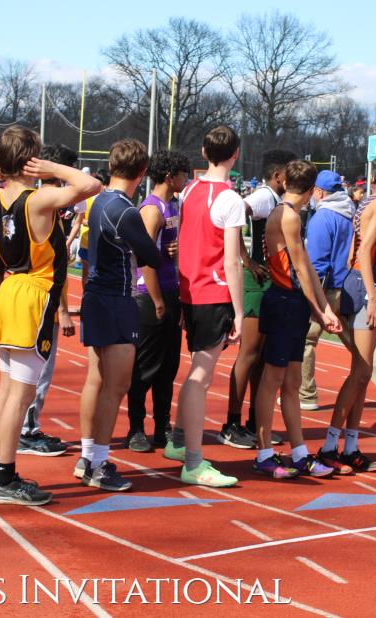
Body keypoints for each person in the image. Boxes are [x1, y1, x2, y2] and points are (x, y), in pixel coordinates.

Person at [0, 126, 100, 506]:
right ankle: (5, 476)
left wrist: (3, 169)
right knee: (20, 394)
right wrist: (51, 168)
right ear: (31, 161)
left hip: (9, 291)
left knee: (5, 389)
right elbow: (90, 185)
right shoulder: (38, 199)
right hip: (33, 297)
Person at [75, 139, 161, 491]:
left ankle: (86, 456)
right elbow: (151, 256)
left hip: (95, 295)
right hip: (116, 299)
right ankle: (98, 464)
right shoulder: (125, 210)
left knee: (96, 380)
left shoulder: (98, 201)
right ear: (142, 173)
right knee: (116, 385)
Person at [166, 126, 246, 488]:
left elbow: (185, 241)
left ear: (203, 152)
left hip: (189, 290)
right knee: (200, 377)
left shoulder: (189, 190)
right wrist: (239, 312)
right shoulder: (230, 199)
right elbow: (232, 262)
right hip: (213, 294)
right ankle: (194, 463)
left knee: (197, 371)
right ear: (236, 154)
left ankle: (179, 441)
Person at [252, 160, 342, 479]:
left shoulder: (291, 214)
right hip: (283, 302)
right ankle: (264, 453)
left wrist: (324, 309)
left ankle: (300, 453)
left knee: (291, 382)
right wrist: (319, 309)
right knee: (272, 380)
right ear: (311, 189)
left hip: (293, 303)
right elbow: (301, 270)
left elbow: (306, 266)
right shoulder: (287, 215)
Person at [320, 152, 376, 475]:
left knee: (363, 373)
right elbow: (366, 251)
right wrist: (372, 296)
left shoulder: (366, 201)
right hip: (365, 285)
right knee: (360, 372)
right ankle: (330, 447)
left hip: (355, 282)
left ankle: (350, 447)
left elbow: (355, 250)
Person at [300, 170, 376, 413]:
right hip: (352, 286)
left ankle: (306, 394)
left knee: (307, 340)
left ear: (319, 192)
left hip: (327, 290)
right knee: (360, 346)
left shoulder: (322, 218)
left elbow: (317, 262)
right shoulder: (353, 211)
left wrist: (310, 294)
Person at [220, 148, 295, 449]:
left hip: (269, 282)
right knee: (249, 354)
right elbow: (236, 214)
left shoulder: (276, 199)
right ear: (278, 175)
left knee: (262, 357)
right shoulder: (264, 196)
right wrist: (245, 259)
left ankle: (254, 421)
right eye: (289, 172)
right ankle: (231, 424)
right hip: (257, 281)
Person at [17, 145, 80, 458]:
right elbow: (55, 267)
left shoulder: (25, 198)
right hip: (42, 298)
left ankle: (27, 427)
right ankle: (26, 431)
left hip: (24, 293)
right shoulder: (47, 204)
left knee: (26, 372)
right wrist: (64, 311)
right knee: (38, 371)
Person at [125, 149, 189, 452]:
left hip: (171, 291)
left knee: (168, 366)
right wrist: (157, 300)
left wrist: (174, 252)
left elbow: (165, 249)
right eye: (183, 174)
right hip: (151, 296)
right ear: (169, 176)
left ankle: (163, 425)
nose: (186, 179)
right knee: (145, 366)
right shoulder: (151, 209)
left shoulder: (173, 204)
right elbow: (144, 258)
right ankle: (136, 428)